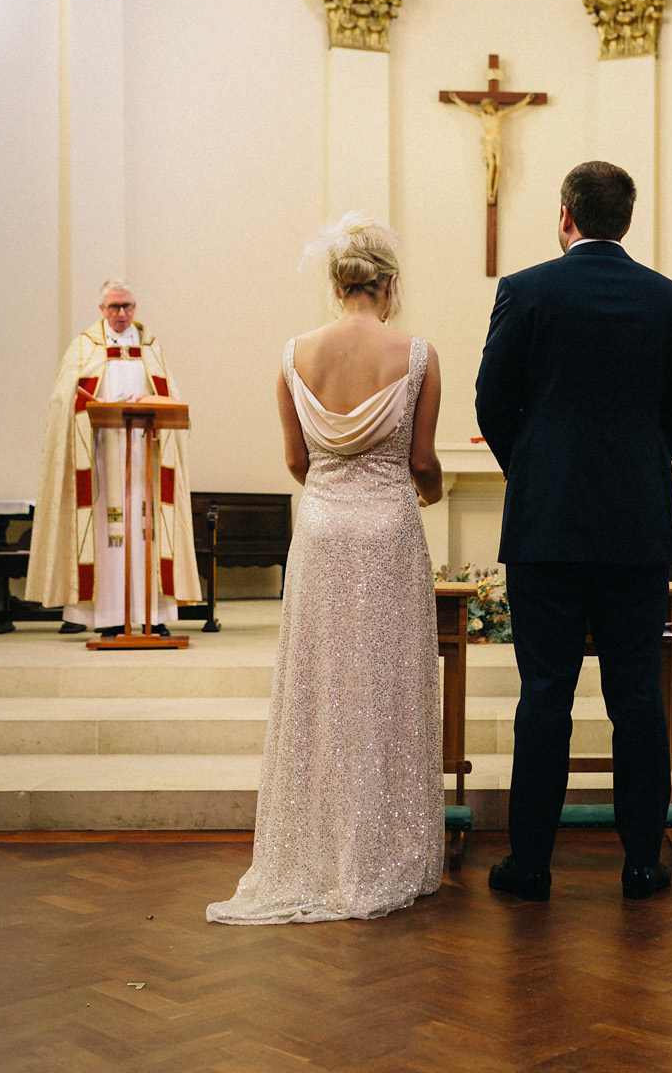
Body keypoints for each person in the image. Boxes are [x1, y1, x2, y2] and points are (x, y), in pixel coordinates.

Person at [207, 214, 445, 923]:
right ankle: (382, 851)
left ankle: (314, 852)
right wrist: (428, 493)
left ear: (337, 283)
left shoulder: (293, 355)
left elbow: (297, 463)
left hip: (321, 530)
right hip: (389, 532)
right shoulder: (419, 354)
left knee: (320, 688)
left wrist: (338, 490)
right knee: (388, 685)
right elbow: (422, 463)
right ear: (390, 284)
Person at [475, 162, 672, 901]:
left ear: (565, 216)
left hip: (547, 530)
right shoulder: (671, 300)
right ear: (625, 220)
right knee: (637, 696)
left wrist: (537, 471)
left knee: (544, 694)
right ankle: (641, 864)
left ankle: (531, 865)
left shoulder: (526, 290)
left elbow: (491, 402)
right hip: (637, 530)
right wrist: (635, 468)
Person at [25, 280, 201, 635]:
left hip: (145, 460)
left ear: (135, 308)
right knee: (107, 537)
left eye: (127, 307)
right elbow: (62, 401)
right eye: (114, 307)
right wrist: (90, 408)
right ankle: (109, 618)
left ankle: (155, 617)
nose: (122, 314)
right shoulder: (84, 347)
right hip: (101, 459)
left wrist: (151, 405)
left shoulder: (151, 347)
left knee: (147, 532)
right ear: (101, 310)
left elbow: (170, 396)